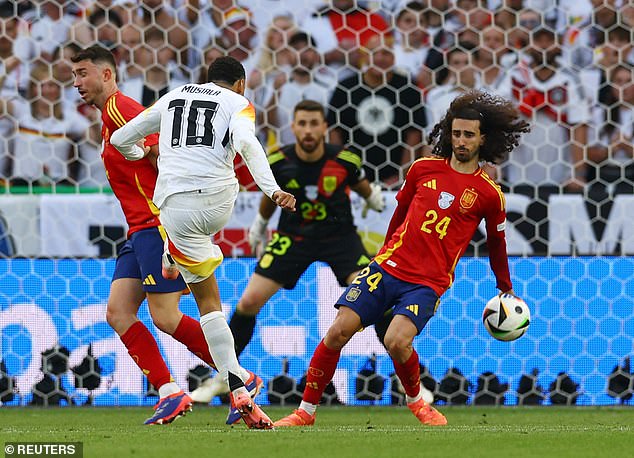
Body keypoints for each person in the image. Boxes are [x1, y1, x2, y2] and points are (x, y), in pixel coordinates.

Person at [274, 90, 529, 427]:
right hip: (387, 267)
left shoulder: (488, 193)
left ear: (483, 138)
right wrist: (381, 255)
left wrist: (505, 288)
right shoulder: (422, 169)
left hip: (427, 282)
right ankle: (305, 412)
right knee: (337, 332)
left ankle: (417, 402)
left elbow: (497, 244)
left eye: (469, 135)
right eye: (456, 133)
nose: (461, 141)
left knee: (396, 341)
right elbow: (399, 216)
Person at [110, 56, 296, 429]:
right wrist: (272, 189)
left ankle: (238, 386)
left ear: (206, 79)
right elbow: (247, 143)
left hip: (176, 210)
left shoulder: (174, 96)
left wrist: (138, 153)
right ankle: (177, 258)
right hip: (217, 201)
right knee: (203, 285)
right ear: (240, 84)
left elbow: (119, 139)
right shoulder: (237, 103)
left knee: (206, 302)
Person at [71, 44, 231, 426]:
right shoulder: (109, 118)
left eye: (83, 73)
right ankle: (169, 391)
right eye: (74, 74)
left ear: (106, 75)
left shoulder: (120, 109)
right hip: (139, 230)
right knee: (119, 312)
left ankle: (237, 374)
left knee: (165, 316)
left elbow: (165, 150)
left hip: (157, 226)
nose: (76, 82)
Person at [191, 99, 387, 405]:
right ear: (293, 127)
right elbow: (271, 195)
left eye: (314, 124)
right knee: (248, 302)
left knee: (374, 298)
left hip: (340, 238)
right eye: (302, 124)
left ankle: (406, 379)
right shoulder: (279, 160)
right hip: (293, 237)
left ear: (324, 128)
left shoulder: (345, 159)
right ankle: (224, 377)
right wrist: (259, 226)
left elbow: (361, 185)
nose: (308, 131)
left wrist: (373, 198)